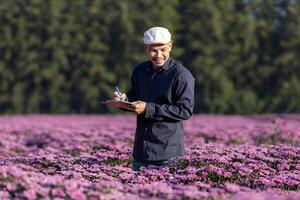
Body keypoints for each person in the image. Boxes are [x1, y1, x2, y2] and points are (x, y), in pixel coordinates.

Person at [114, 27, 195, 171]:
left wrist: (147, 108)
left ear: (170, 46)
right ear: (145, 48)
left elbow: (185, 110)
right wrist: (124, 99)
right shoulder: (139, 71)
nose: (158, 55)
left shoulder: (181, 75)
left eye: (163, 49)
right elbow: (135, 95)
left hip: (168, 153)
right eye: (153, 50)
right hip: (141, 151)